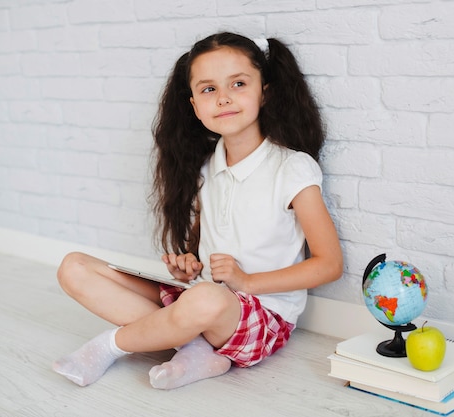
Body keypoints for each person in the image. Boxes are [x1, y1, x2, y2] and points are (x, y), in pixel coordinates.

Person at [52, 32, 343, 390]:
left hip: (261, 318)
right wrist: (189, 264)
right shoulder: (208, 168)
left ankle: (110, 345)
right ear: (193, 105)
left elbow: (329, 264)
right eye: (208, 90)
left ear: (264, 91)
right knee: (74, 267)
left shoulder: (292, 168)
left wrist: (247, 283)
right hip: (203, 297)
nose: (223, 98)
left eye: (238, 83)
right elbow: (210, 248)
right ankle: (197, 348)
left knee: (205, 299)